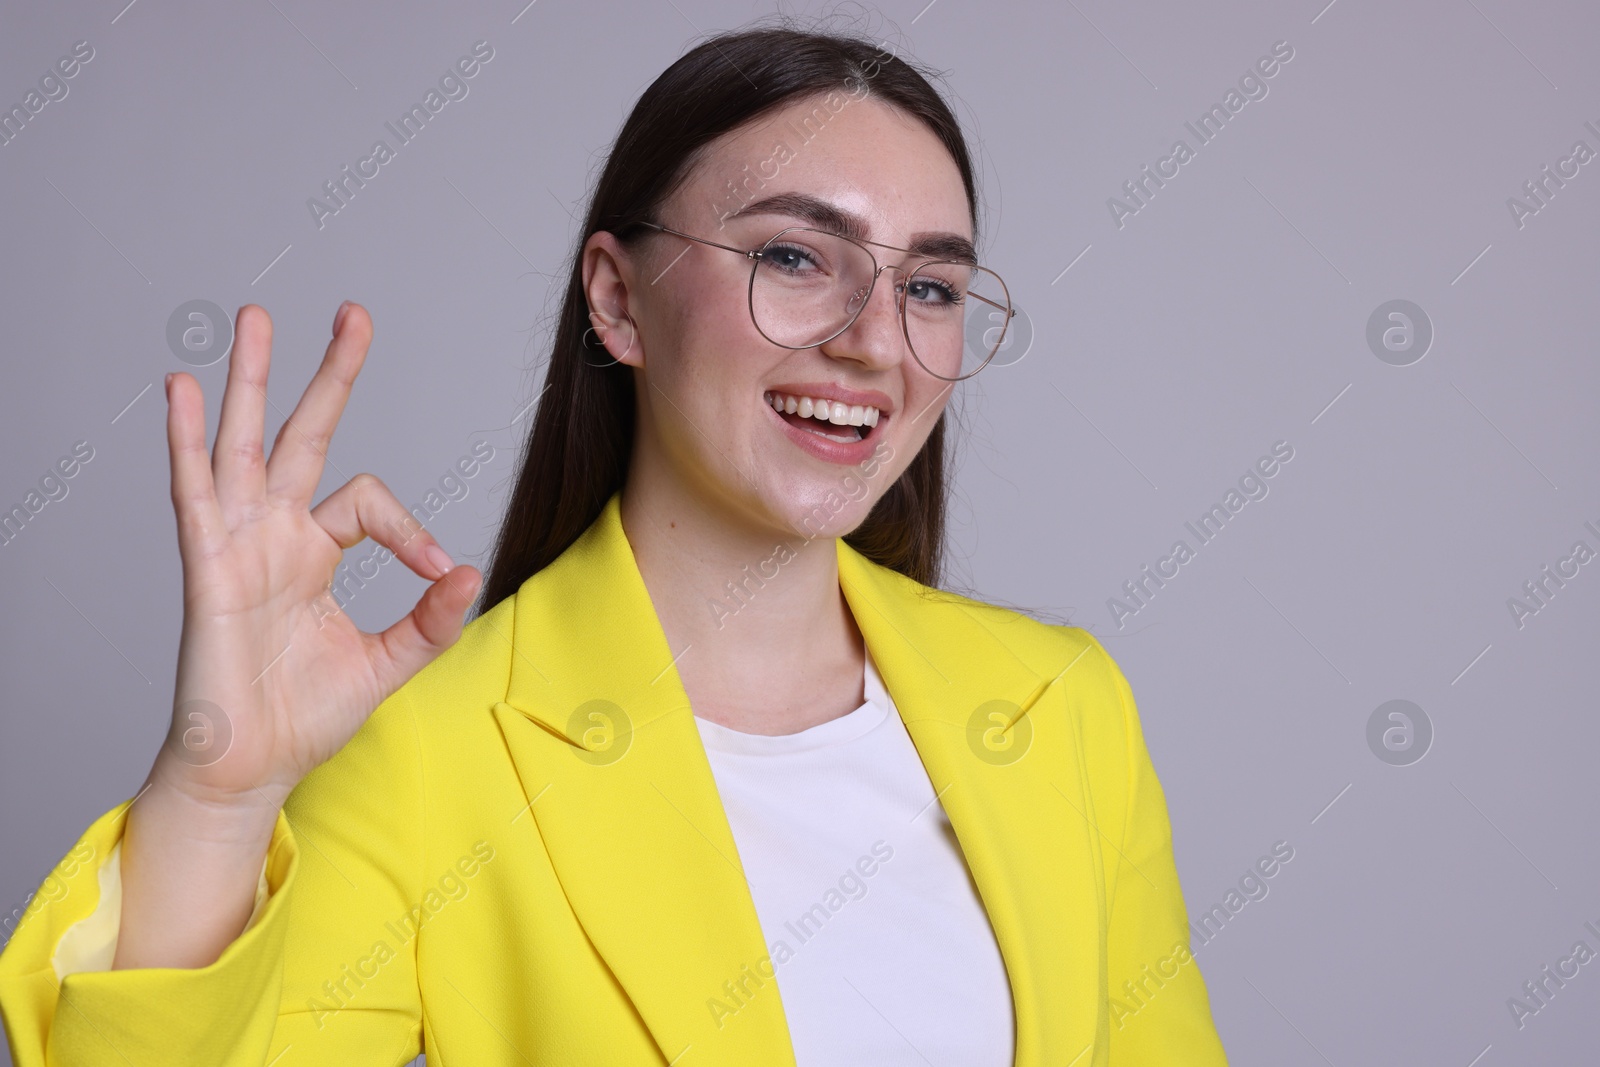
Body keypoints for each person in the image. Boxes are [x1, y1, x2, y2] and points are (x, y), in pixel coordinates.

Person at [0, 17, 1228, 1067]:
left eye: (930, 288)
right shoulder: (432, 754)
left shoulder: (1065, 709)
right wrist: (218, 795)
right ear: (616, 298)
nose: (872, 341)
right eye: (797, 256)